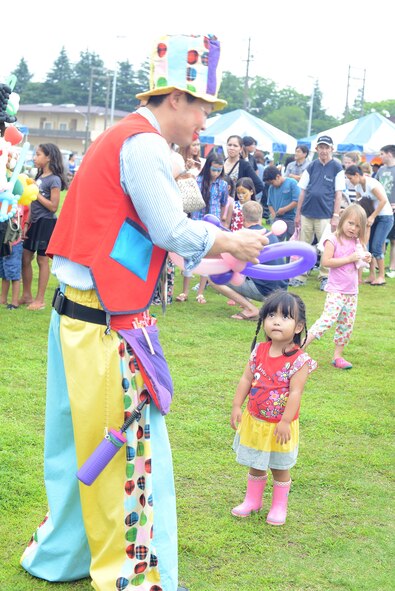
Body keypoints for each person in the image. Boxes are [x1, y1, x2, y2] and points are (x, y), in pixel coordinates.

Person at [20, 34, 269, 591]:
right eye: (205, 106)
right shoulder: (144, 144)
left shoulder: (123, 139)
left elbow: (144, 236)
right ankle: (133, 575)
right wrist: (230, 242)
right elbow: (171, 230)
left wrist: (210, 247)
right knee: (127, 455)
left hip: (78, 319)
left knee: (74, 447)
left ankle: (63, 553)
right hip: (106, 327)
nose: (208, 119)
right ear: (175, 98)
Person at [230, 290, 316, 524]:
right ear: (263, 320)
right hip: (255, 421)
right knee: (255, 463)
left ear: (298, 327)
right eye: (271, 315)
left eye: (285, 317)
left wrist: (285, 421)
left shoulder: (299, 361)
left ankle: (279, 506)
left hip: (280, 426)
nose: (276, 321)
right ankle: (252, 501)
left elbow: (296, 392)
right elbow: (246, 379)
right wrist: (237, 405)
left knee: (280, 467)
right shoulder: (259, 351)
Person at [304, 204, 371, 369]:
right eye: (350, 223)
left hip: (351, 292)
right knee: (327, 320)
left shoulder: (357, 242)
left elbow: (359, 262)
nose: (353, 228)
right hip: (336, 290)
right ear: (342, 220)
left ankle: (337, 356)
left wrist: (366, 258)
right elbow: (326, 262)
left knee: (346, 325)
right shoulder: (332, 239)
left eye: (357, 226)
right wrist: (349, 258)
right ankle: (300, 349)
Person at [209, 201, 288, 320]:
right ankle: (246, 302)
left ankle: (250, 309)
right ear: (260, 216)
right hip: (281, 288)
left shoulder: (246, 237)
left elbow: (232, 264)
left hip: (266, 291)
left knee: (213, 278)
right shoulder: (271, 234)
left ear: (242, 216)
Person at [19, 143, 67, 310]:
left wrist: (36, 193)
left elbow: (53, 206)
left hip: (46, 223)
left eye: (38, 154)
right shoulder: (39, 176)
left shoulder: (54, 180)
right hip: (34, 222)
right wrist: (26, 222)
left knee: (41, 260)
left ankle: (40, 300)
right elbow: (32, 202)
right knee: (25, 258)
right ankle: (26, 295)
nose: (35, 157)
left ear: (49, 158)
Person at [294, 135, 345, 290]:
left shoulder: (337, 167)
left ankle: (325, 277)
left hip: (325, 215)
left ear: (332, 149)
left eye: (326, 147)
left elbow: (338, 194)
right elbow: (302, 191)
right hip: (307, 213)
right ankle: (300, 275)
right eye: (321, 147)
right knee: (304, 246)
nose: (323, 150)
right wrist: (297, 214)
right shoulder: (311, 166)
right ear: (316, 149)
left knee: (326, 247)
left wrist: (336, 216)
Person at [176, 152, 228, 304]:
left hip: (213, 225)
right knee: (190, 255)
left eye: (219, 170)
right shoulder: (197, 181)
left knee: (208, 257)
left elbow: (224, 202)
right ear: (208, 167)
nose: (216, 173)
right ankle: (184, 291)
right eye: (214, 169)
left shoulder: (223, 184)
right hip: (196, 222)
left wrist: (224, 220)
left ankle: (200, 292)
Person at [345, 165, 393, 286]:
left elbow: (383, 200)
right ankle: (372, 275)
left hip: (384, 217)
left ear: (357, 174)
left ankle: (381, 276)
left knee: (377, 246)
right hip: (372, 217)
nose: (349, 181)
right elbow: (358, 203)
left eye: (350, 178)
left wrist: (372, 217)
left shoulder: (371, 184)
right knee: (370, 247)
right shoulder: (358, 186)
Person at [0, 204, 29, 309]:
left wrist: (10, 243)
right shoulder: (3, 202)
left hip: (12, 244)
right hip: (3, 243)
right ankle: (2, 299)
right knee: (4, 272)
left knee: (13, 273)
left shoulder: (14, 205)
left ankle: (14, 302)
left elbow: (15, 225)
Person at [263, 165, 300, 240]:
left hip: (291, 219)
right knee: (276, 241)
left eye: (272, 182)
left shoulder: (292, 183)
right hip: (278, 219)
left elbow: (297, 201)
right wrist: (273, 214)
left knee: (292, 241)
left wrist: (284, 209)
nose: (272, 185)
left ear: (278, 176)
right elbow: (269, 204)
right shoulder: (271, 188)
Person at [376, 145, 395, 278]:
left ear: (389, 154)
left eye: (382, 154)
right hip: (381, 209)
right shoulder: (381, 170)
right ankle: (378, 264)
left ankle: (392, 267)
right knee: (380, 238)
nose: (380, 156)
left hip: (393, 209)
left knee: (394, 240)